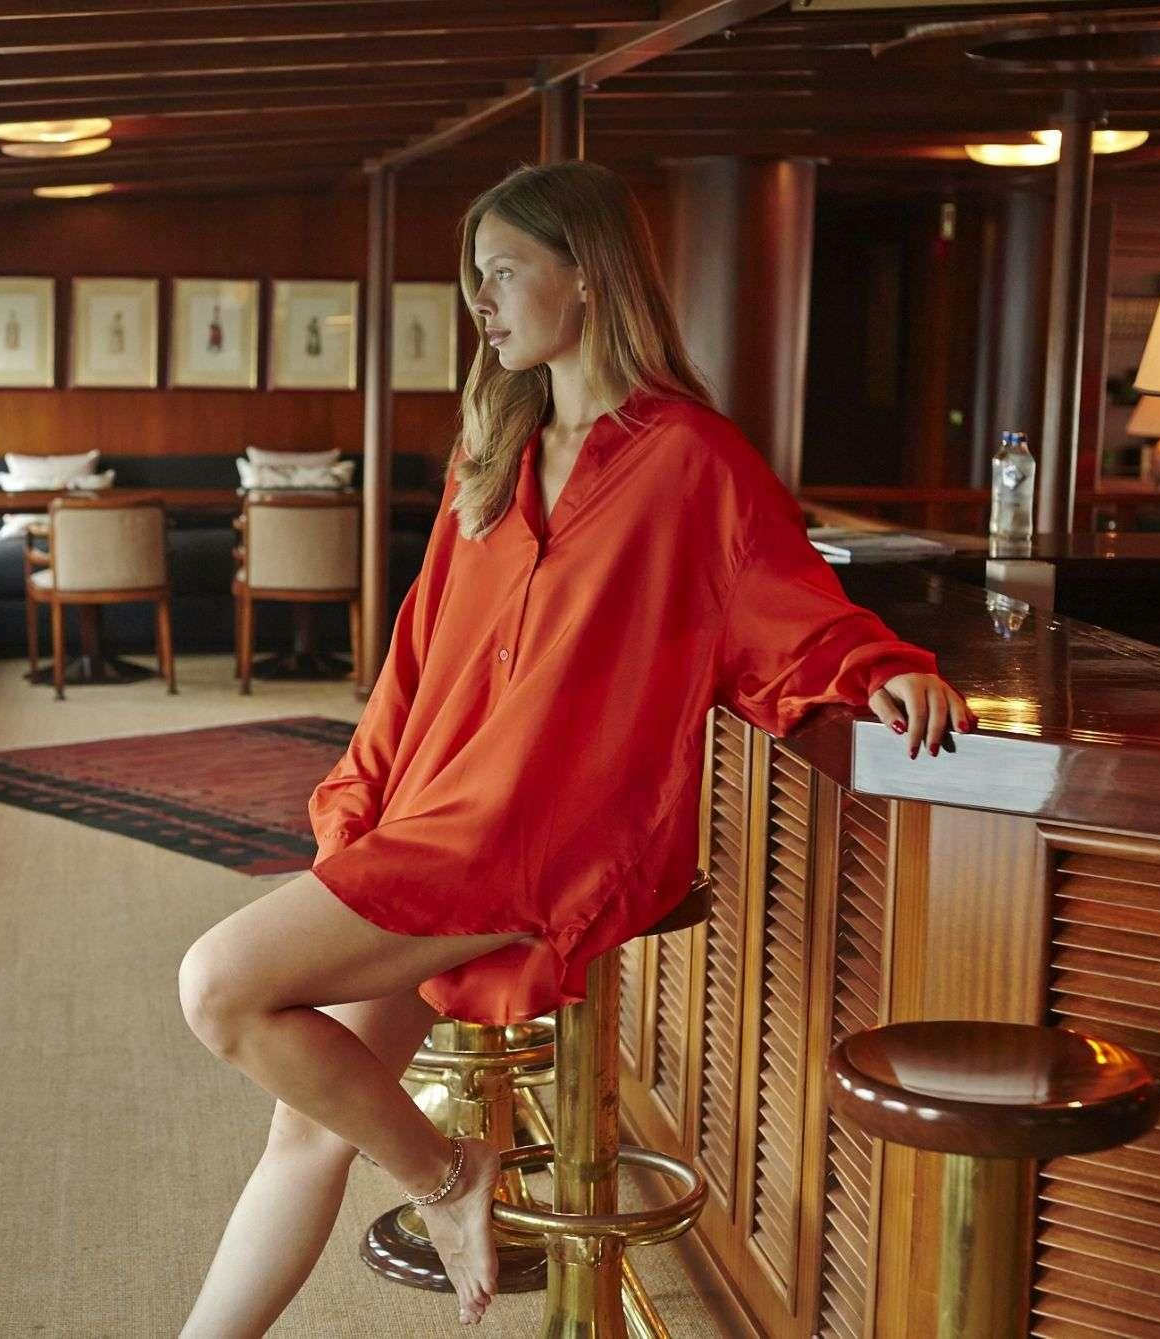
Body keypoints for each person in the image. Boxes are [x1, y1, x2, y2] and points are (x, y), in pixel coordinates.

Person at [176, 161, 975, 1335]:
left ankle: (453, 1180)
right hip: (437, 819)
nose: (482, 305)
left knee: (220, 984)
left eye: (501, 273)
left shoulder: (691, 460)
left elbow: (780, 606)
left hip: (551, 837)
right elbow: (418, 653)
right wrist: (360, 800)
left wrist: (879, 668)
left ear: (587, 275)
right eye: (475, 281)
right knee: (308, 1119)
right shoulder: (490, 451)